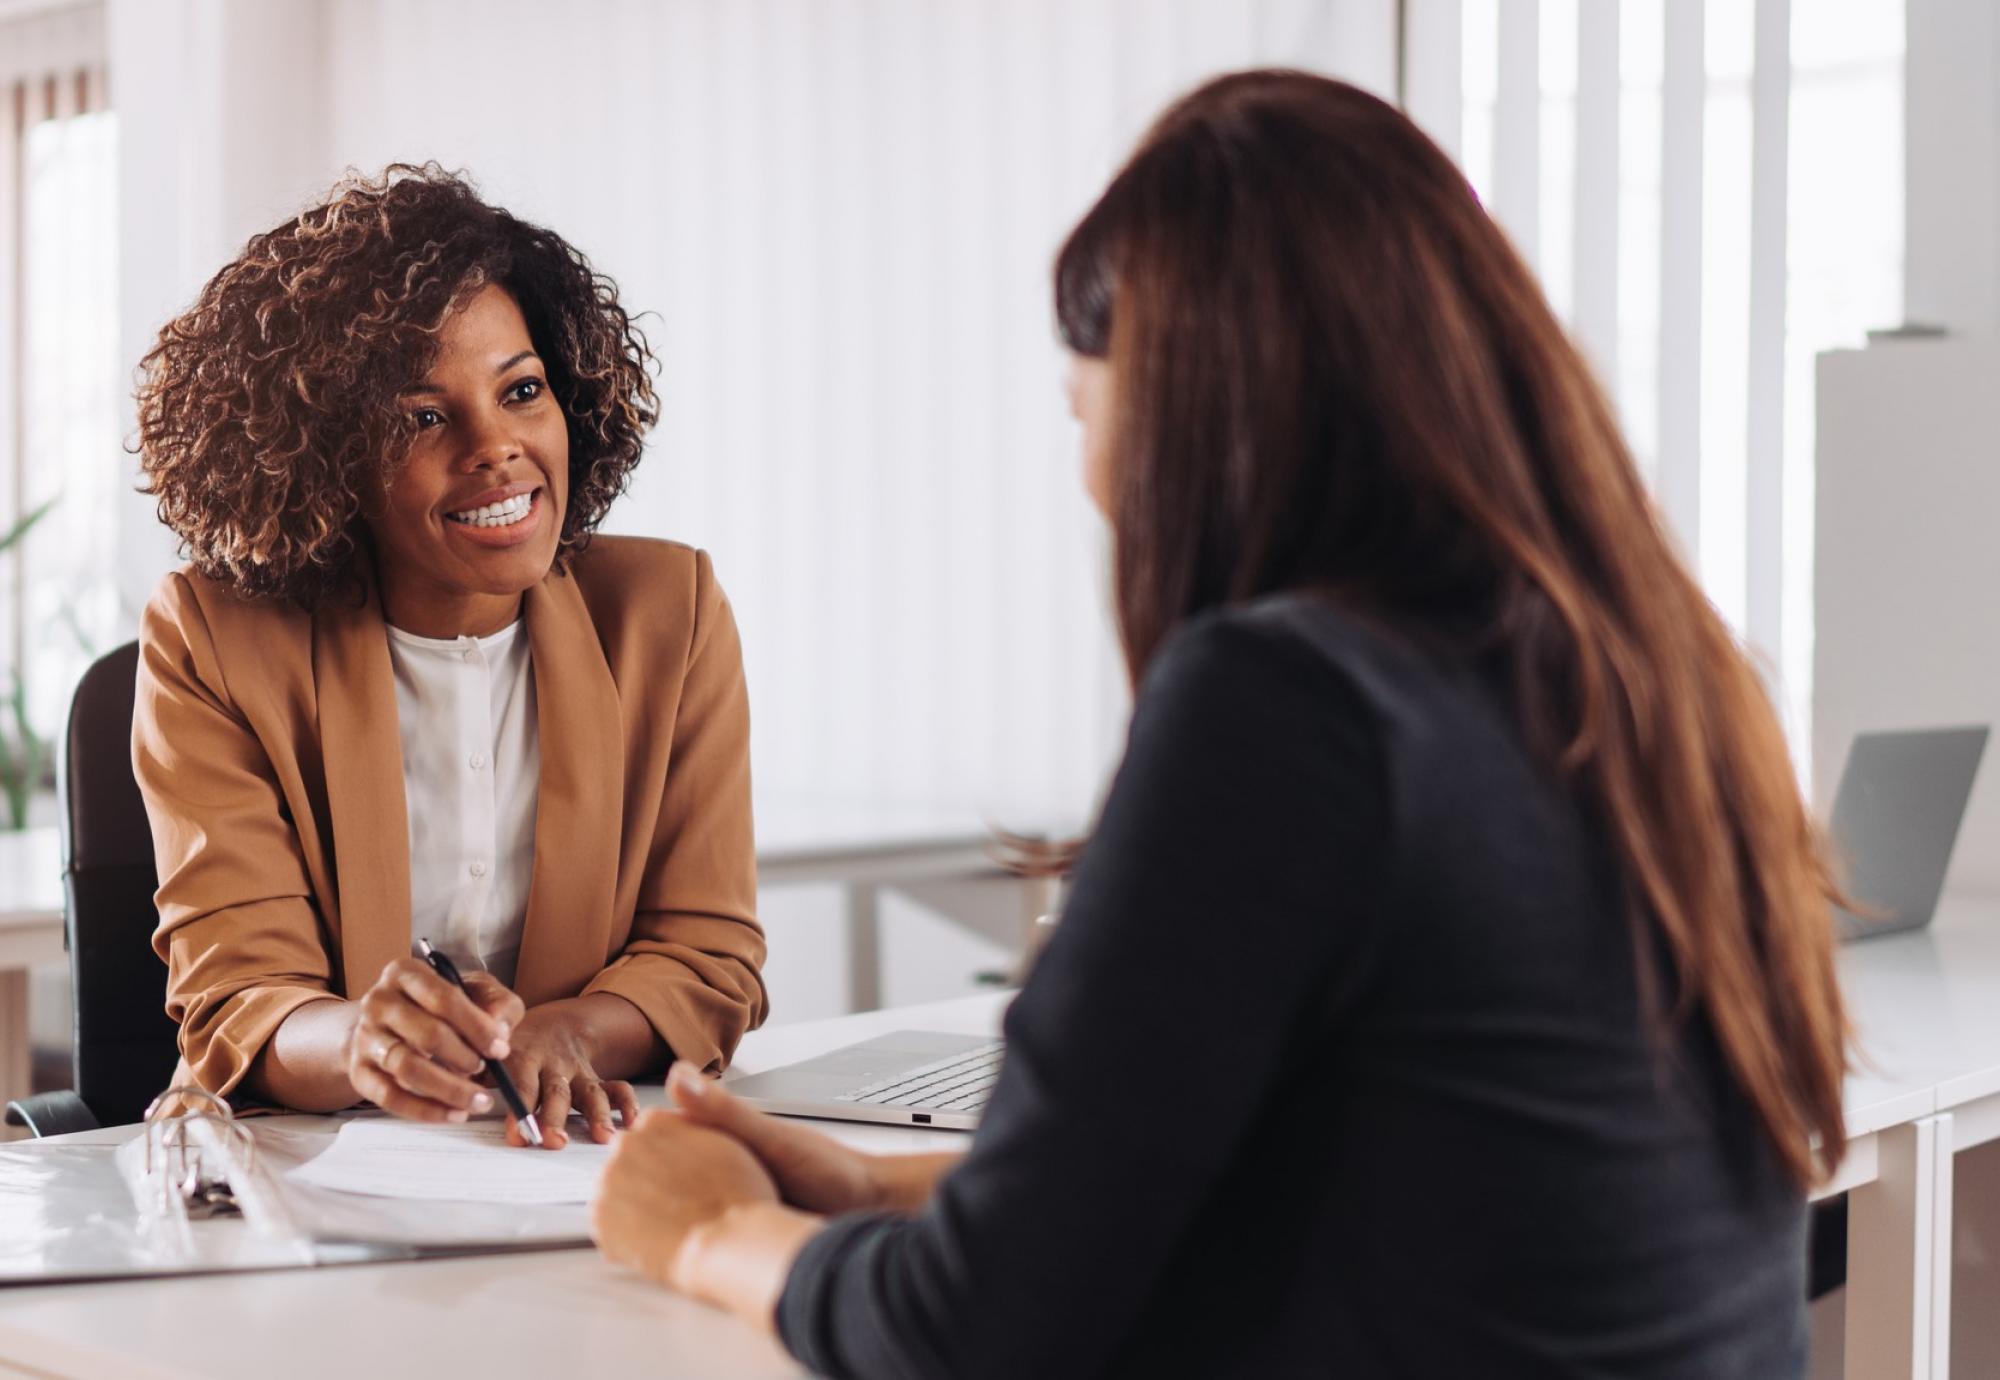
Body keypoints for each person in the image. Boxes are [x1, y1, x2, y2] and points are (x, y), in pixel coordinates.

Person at [592, 71, 1850, 1375]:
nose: (1091, 488)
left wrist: (712, 1233)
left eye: (1085, 413)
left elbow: (975, 1337)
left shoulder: (1291, 707)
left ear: (1193, 411)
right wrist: (871, 1191)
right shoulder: (1677, 684)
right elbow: (1376, 1179)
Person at [133, 166, 767, 1148]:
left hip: (568, 1161)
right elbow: (240, 995)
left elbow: (707, 955)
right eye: (421, 417)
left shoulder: (665, 614)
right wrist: (360, 1043)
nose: (496, 446)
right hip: (303, 1174)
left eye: (521, 391)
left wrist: (567, 1034)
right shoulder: (212, 637)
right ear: (325, 456)